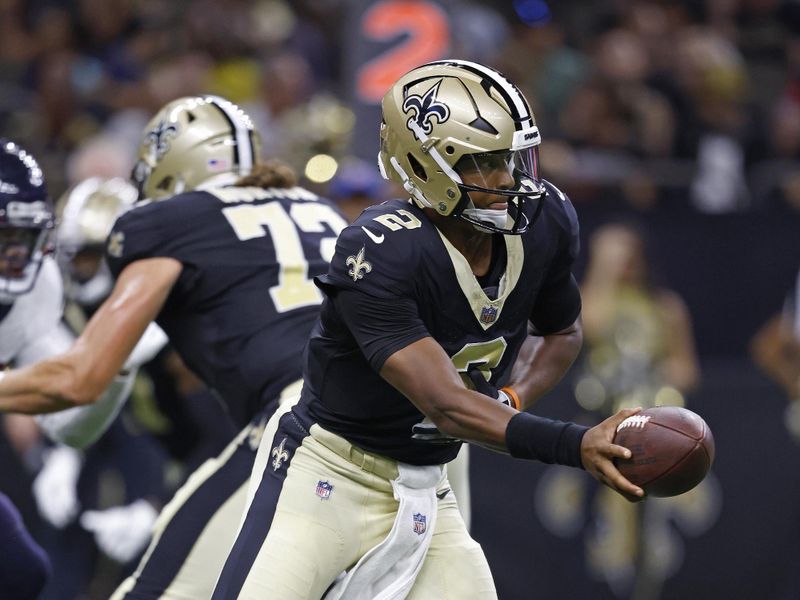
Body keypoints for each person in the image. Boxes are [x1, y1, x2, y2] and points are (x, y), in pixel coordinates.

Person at [212, 59, 644, 600]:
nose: (508, 178)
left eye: (511, 158)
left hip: (423, 487)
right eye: (485, 163)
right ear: (425, 167)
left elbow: (561, 332)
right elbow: (446, 405)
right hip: (327, 478)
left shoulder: (545, 221)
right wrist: (574, 444)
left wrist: (510, 398)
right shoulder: (381, 248)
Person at [0, 96, 348, 599]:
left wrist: (149, 499)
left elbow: (77, 387)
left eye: (19, 240)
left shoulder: (172, 232)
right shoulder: (318, 207)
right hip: (398, 425)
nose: (14, 258)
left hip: (299, 424)